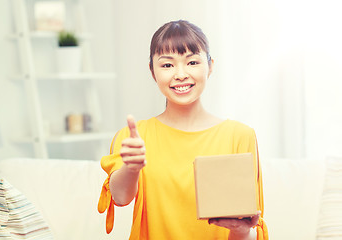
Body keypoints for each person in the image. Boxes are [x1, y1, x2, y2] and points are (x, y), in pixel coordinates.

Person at [98, 20, 268, 240]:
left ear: (210, 66)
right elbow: (120, 198)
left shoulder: (240, 136)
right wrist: (132, 167)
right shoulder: (134, 137)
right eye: (167, 65)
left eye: (192, 62)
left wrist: (242, 230)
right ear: (152, 71)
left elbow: (248, 231)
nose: (180, 74)